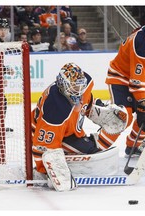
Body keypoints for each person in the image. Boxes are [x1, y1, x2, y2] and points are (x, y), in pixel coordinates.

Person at [31, 62, 127, 191]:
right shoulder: (56, 107)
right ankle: (62, 158)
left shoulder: (82, 86)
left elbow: (87, 102)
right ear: (63, 84)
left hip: (67, 131)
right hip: (42, 133)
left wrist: (100, 109)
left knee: (95, 146)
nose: (79, 91)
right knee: (90, 150)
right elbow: (41, 145)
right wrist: (42, 171)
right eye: (75, 88)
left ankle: (69, 156)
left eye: (80, 86)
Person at [92, 10, 145, 157]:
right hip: (120, 79)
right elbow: (137, 85)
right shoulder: (143, 46)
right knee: (123, 118)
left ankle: (133, 145)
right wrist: (142, 108)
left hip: (138, 80)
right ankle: (97, 149)